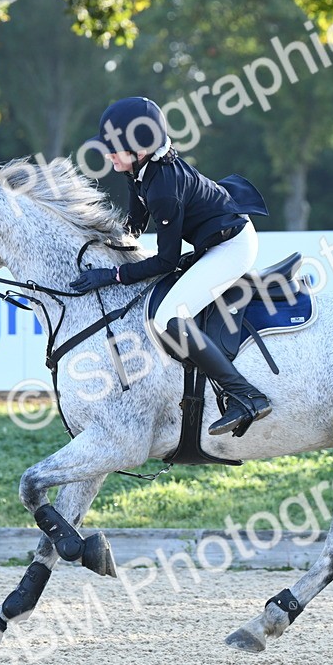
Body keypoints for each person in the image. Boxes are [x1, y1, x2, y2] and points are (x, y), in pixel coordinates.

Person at [71, 96, 272, 436]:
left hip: (233, 246)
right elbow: (135, 227)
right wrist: (101, 246)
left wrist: (112, 275)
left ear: (139, 149)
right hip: (214, 239)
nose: (107, 155)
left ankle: (246, 397)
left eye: (114, 148)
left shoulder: (163, 186)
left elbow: (164, 260)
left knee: (168, 318)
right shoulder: (139, 171)